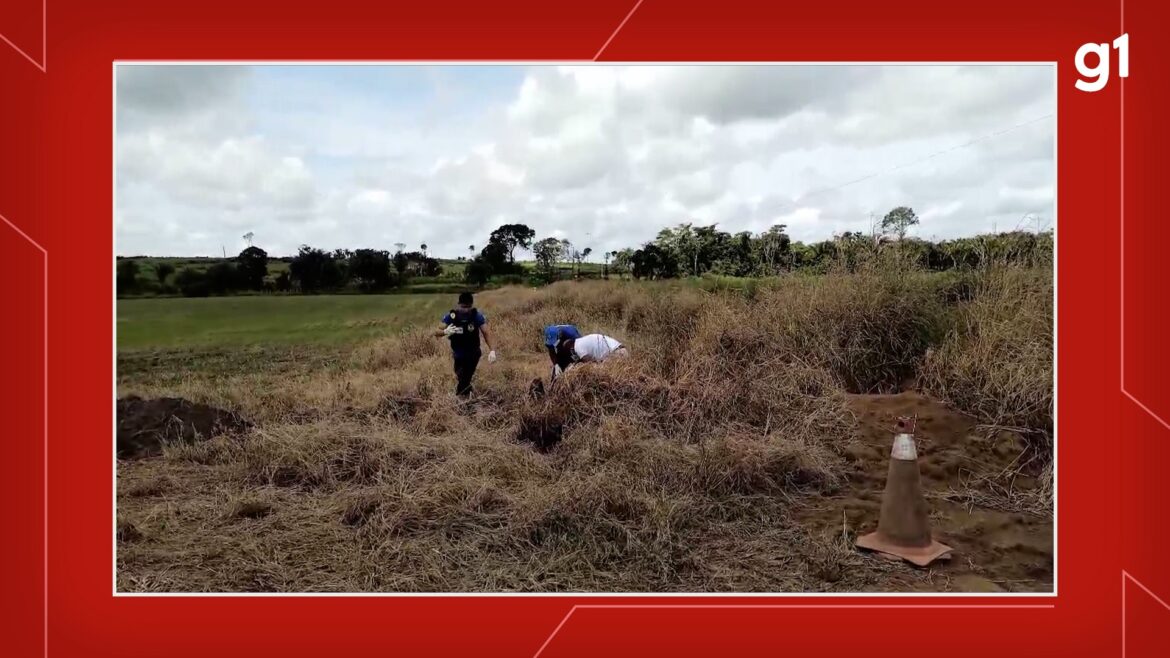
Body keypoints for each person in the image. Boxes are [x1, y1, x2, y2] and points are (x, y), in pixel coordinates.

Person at [434, 292, 496, 397]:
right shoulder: (451, 316)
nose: (466, 310)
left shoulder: (476, 316)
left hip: (473, 353)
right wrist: (445, 332)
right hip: (458, 354)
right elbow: (436, 332)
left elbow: (486, 333)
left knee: (465, 376)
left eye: (468, 307)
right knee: (460, 376)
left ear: (471, 305)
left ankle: (460, 399)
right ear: (459, 305)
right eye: (463, 307)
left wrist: (492, 350)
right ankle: (468, 393)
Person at [553, 333, 628, 380]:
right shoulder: (580, 342)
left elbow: (590, 366)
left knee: (598, 374)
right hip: (620, 351)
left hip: (617, 354)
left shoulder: (578, 349)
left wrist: (571, 371)